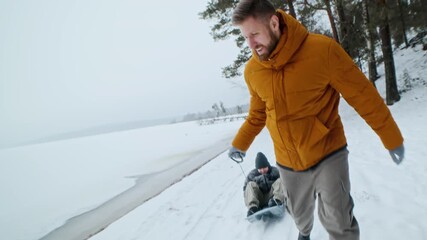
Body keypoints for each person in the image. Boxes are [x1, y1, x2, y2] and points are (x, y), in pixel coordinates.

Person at [227, 0, 405, 240]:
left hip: (328, 151)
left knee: (339, 218)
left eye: (255, 34)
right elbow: (258, 114)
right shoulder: (252, 71)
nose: (251, 44)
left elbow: (363, 96)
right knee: (299, 214)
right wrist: (240, 143)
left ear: (274, 22)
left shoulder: (322, 51)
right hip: (288, 161)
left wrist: (391, 138)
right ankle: (304, 231)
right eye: (245, 37)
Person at [243, 152, 284, 217]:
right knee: (250, 184)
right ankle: (253, 208)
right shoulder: (252, 175)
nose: (262, 170)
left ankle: (277, 202)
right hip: (260, 198)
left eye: (264, 167)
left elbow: (285, 186)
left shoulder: (275, 171)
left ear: (267, 165)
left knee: (281, 180)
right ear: (257, 168)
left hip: (272, 196)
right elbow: (246, 191)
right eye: (260, 169)